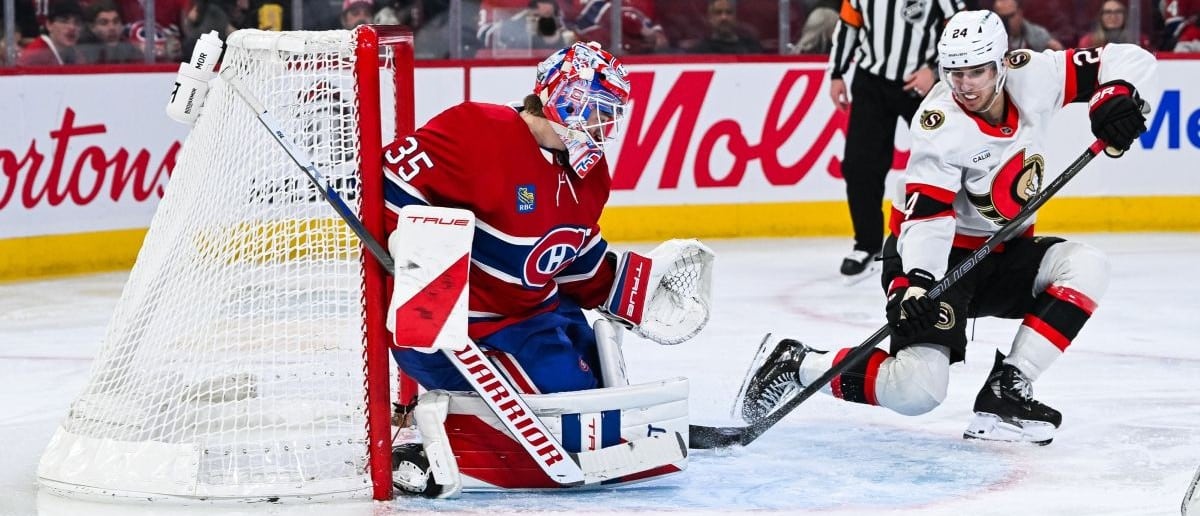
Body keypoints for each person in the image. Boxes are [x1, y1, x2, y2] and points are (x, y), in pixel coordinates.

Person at [738, 10, 1157, 445]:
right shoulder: (939, 124)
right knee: (916, 389)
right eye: (955, 72)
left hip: (1004, 254)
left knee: (1087, 267)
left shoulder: (1034, 74)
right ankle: (799, 364)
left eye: (977, 71)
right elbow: (927, 217)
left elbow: (1127, 58)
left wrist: (1115, 96)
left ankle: (1006, 389)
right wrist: (915, 283)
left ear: (1001, 63)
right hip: (941, 262)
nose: (965, 85)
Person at [381, 41, 638, 395]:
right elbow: (389, 175)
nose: (605, 124)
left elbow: (575, 258)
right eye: (599, 110)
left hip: (534, 316)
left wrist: (629, 291)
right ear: (568, 98)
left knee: (598, 369)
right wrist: (412, 245)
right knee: (572, 393)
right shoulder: (480, 130)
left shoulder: (591, 174)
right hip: (462, 330)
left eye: (612, 114)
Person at [827, 0, 969, 280]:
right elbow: (849, 25)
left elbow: (960, 24)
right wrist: (837, 72)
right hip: (872, 80)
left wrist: (936, 68)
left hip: (922, 83)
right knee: (860, 165)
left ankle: (961, 241)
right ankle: (866, 245)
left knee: (948, 160)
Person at [18, 0, 86, 65]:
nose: (72, 27)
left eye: (77, 22)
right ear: (49, 25)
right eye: (64, 21)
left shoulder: (76, 55)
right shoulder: (35, 55)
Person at [79, 1, 144, 64]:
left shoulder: (133, 51)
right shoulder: (82, 54)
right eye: (104, 23)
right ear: (92, 28)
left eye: (116, 21)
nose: (112, 28)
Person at [689, 0, 764, 54]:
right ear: (710, 18)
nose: (724, 17)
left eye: (729, 12)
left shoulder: (752, 47)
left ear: (735, 17)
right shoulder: (699, 51)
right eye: (718, 13)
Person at [992, 0, 1063, 51]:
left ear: (1020, 12)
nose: (1007, 22)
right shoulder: (991, 38)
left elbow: (1058, 50)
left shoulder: (1037, 34)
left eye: (1011, 16)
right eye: (1003, 17)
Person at [1079, 0, 1151, 48]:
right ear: (1101, 17)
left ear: (1125, 16)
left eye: (1118, 12)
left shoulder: (1139, 40)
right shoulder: (1088, 42)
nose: (1113, 17)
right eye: (1108, 12)